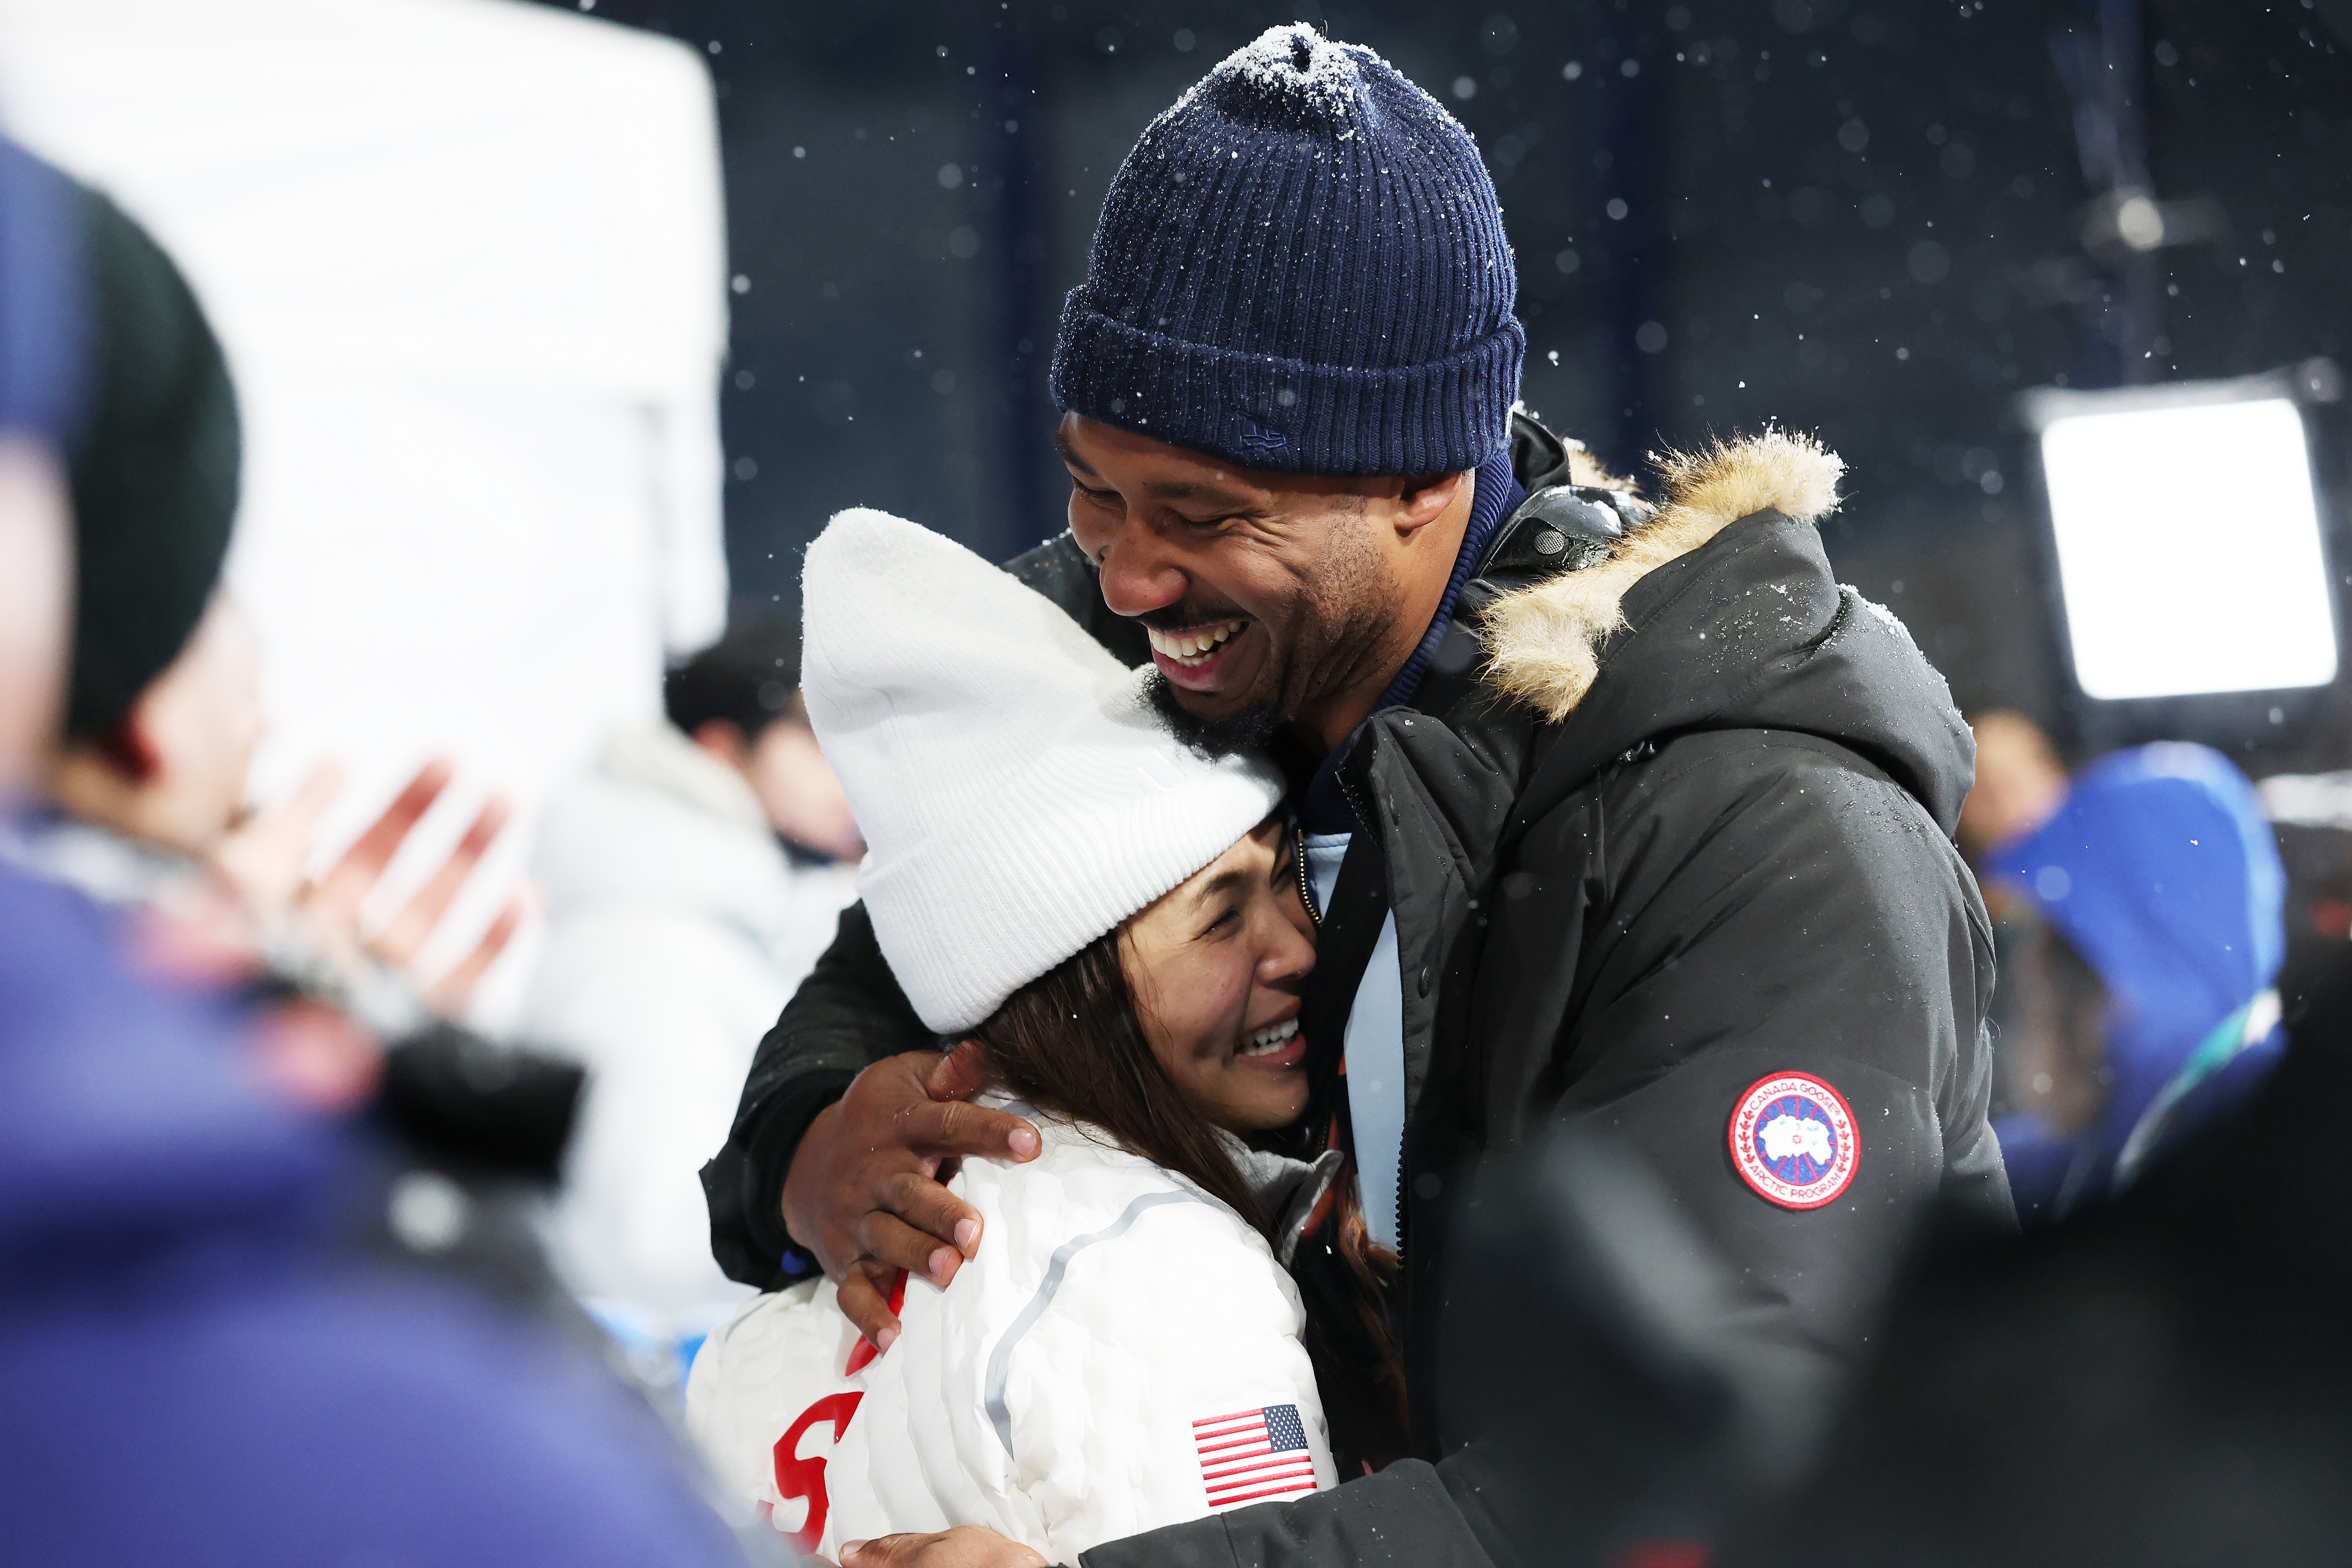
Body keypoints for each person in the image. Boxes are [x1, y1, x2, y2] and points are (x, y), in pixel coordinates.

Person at [706, 27, 2009, 1567]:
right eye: (1093, 487)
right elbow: (896, 960)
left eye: (1200, 512)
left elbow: (1708, 1470)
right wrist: (810, 1141)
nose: (1126, 571)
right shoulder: (1159, 655)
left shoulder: (1754, 819)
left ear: (1421, 479)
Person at [0, 137, 759, 1568]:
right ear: (136, 690)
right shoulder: (237, 1333)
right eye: (214, 579)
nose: (263, 670)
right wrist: (404, 1214)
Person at [686, 510, 1343, 1562]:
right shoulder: (1177, 1281)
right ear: (1065, 994)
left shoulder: (757, 1343)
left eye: (1288, 879)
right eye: (1221, 921)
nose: (1298, 951)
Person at [524, 617, 860, 1313]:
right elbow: (653, 1242)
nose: (854, 774)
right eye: (819, 737)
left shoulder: (711, 918)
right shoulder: (656, 943)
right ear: (719, 747)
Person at [1979, 742, 2288, 1224]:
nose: (2027, 972)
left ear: (2120, 962)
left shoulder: (2276, 1167)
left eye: (2054, 938)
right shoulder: (2147, 1127)